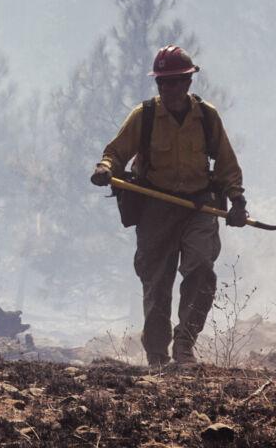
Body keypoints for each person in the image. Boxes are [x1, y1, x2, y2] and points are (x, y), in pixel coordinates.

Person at [89, 45, 246, 366]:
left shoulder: (207, 117)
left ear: (188, 82)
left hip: (198, 208)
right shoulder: (144, 117)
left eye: (176, 81)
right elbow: (115, 153)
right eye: (163, 83)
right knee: (157, 285)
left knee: (201, 269)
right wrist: (105, 168)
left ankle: (185, 345)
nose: (169, 88)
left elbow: (228, 164)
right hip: (155, 210)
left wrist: (238, 201)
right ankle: (158, 356)